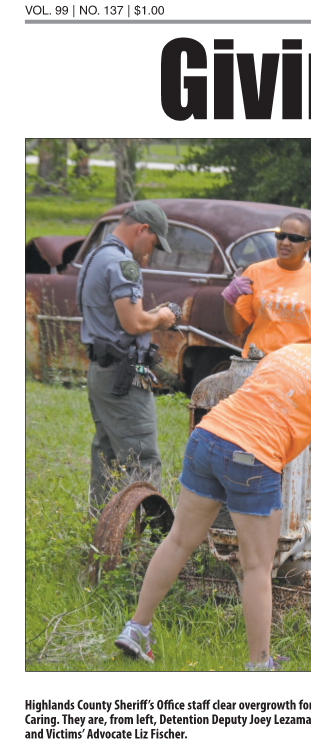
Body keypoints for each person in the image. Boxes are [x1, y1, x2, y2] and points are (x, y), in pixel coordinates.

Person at [114, 305, 311, 672]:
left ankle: (137, 628)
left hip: (208, 438)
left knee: (180, 541)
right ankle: (260, 666)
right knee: (258, 568)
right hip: (252, 457)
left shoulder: (291, 350)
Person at [76, 202, 180, 511]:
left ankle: (103, 537)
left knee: (107, 455)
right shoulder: (123, 264)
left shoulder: (96, 256)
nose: (150, 252)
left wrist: (149, 315)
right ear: (142, 230)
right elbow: (133, 323)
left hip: (101, 370)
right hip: (124, 376)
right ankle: (146, 544)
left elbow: (117, 321)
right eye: (153, 243)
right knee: (141, 459)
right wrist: (161, 316)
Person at [223, 212, 311, 357]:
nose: (285, 242)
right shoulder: (255, 272)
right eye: (281, 235)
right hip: (258, 363)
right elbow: (235, 329)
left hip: (298, 367)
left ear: (308, 245)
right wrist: (229, 301)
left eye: (294, 238)